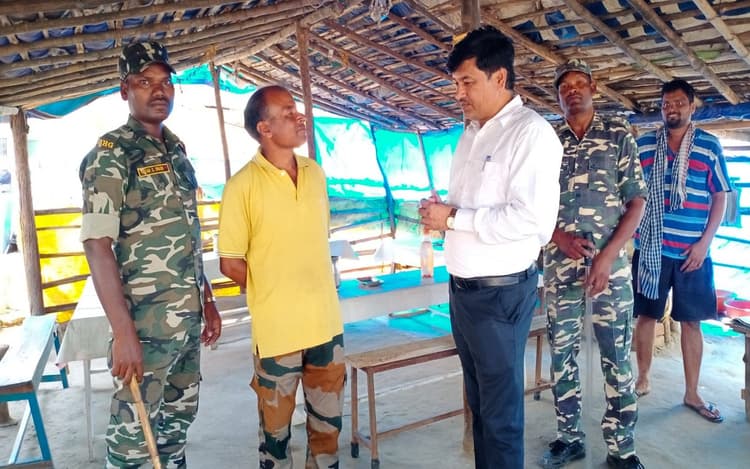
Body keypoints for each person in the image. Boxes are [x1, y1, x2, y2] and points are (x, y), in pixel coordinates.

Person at [419, 26, 563, 469]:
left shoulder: (531, 134)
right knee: (480, 405)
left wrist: (453, 219)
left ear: (499, 77)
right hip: (463, 292)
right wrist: (443, 212)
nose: (458, 93)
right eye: (455, 83)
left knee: (500, 416)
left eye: (467, 82)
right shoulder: (471, 132)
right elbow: (469, 207)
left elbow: (532, 221)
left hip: (500, 296)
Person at [79, 41, 222, 468]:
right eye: (144, 81)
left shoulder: (177, 150)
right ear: (125, 90)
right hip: (144, 331)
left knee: (176, 431)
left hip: (186, 325)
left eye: (165, 82)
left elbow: (187, 235)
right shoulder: (111, 154)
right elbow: (97, 245)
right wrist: (123, 333)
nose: (159, 90)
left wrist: (207, 299)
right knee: (134, 444)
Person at [217, 85, 345, 469]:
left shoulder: (314, 173)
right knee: (275, 438)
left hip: (325, 326)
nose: (299, 117)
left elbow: (315, 240)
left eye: (297, 109)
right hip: (277, 334)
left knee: (328, 431)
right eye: (287, 112)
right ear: (265, 128)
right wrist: (274, 289)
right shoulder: (241, 186)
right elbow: (230, 263)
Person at [541, 59, 647, 469]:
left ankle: (622, 448)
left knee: (617, 355)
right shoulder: (548, 141)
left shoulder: (618, 133)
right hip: (560, 264)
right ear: (558, 95)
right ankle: (569, 437)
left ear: (593, 87)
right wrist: (559, 238)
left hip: (611, 269)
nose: (572, 90)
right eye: (564, 86)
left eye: (579, 83)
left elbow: (636, 202)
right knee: (561, 353)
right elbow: (531, 204)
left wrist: (606, 256)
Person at [633, 79, 731, 423]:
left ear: (692, 106)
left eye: (678, 103)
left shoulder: (709, 146)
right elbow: (632, 192)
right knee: (646, 316)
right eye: (665, 104)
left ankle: (691, 392)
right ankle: (643, 378)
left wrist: (705, 244)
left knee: (692, 321)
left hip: (693, 253)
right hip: (650, 249)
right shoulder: (645, 145)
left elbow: (720, 195)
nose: (671, 109)